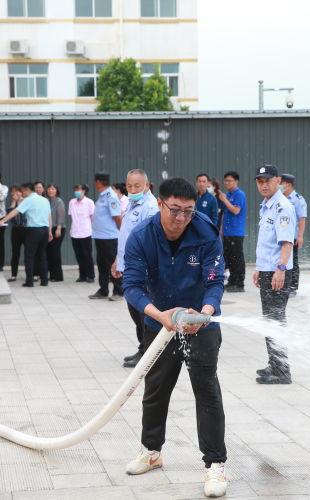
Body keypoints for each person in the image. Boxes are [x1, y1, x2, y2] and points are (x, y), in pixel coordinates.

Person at [122, 177, 227, 498]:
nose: (181, 218)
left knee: (206, 391)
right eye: (175, 210)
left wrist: (205, 312)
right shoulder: (141, 236)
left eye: (188, 211)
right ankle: (151, 451)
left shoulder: (206, 232)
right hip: (160, 325)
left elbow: (214, 282)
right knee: (155, 389)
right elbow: (132, 287)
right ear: (160, 203)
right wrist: (160, 316)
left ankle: (215, 466)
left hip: (201, 324)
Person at [252, 164, 296, 385]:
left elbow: (286, 241)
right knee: (269, 320)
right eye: (260, 181)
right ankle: (275, 363)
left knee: (275, 321)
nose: (264, 185)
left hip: (278, 272)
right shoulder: (267, 206)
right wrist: (260, 268)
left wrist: (280, 268)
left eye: (267, 180)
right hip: (268, 271)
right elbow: (267, 243)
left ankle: (282, 371)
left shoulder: (283, 207)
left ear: (278, 180)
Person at [111, 169, 159, 368]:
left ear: (146, 185)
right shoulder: (131, 204)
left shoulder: (150, 207)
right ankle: (143, 347)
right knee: (135, 311)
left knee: (143, 312)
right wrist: (118, 261)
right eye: (129, 186)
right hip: (129, 266)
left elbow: (149, 240)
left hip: (142, 269)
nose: (132, 189)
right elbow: (125, 237)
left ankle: (149, 353)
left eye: (137, 186)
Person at [0, 183, 52, 287]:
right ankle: (44, 281)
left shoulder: (28, 200)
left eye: (22, 191)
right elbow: (49, 216)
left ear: (27, 190)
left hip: (33, 230)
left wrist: (2, 221)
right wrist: (49, 231)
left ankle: (29, 281)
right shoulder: (45, 200)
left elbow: (15, 212)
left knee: (29, 257)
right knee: (42, 256)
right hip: (44, 230)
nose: (22, 193)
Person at [90, 172, 124, 300]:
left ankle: (118, 291)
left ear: (99, 182)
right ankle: (103, 290)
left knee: (113, 264)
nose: (94, 184)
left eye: (95, 181)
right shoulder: (103, 196)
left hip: (110, 237)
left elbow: (117, 216)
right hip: (100, 237)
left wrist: (122, 233)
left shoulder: (111, 196)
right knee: (102, 265)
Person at [216, 171, 247, 292]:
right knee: (229, 258)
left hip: (236, 232)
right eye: (226, 181)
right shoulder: (228, 194)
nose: (227, 183)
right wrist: (221, 230)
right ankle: (232, 281)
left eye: (230, 180)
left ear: (236, 181)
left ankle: (240, 283)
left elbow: (235, 210)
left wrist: (224, 200)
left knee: (237, 258)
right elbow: (224, 213)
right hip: (227, 232)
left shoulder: (239, 195)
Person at [280, 174, 307, 297]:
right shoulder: (280, 197)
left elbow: (302, 219)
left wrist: (300, 236)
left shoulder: (298, 199)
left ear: (289, 184)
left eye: (281, 183)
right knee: (283, 260)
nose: (279, 185)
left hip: (293, 236)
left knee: (293, 262)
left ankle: (292, 287)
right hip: (282, 235)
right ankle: (283, 283)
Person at [68, 184, 95, 283]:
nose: (77, 192)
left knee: (87, 255)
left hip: (86, 232)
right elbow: (72, 216)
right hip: (75, 232)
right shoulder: (72, 202)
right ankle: (82, 275)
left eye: (79, 190)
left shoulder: (89, 202)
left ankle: (90, 275)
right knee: (78, 255)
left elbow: (93, 218)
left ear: (84, 191)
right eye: (75, 190)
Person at [46, 184, 66, 282]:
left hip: (58, 228)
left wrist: (58, 228)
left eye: (53, 189)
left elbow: (61, 216)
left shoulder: (59, 201)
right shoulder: (47, 201)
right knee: (49, 253)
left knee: (55, 252)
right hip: (49, 229)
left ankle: (58, 276)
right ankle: (52, 275)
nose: (50, 190)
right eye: (49, 189)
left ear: (56, 190)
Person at [7, 185, 27, 282]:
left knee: (28, 253)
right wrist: (13, 203)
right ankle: (13, 275)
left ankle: (33, 274)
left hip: (26, 230)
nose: (15, 194)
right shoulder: (13, 203)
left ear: (21, 192)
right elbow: (10, 217)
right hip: (15, 230)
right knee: (15, 253)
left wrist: (18, 203)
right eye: (13, 192)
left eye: (17, 191)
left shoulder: (26, 201)